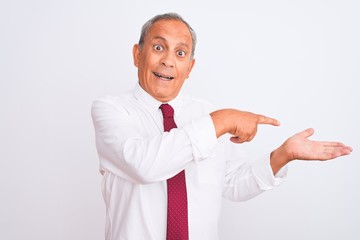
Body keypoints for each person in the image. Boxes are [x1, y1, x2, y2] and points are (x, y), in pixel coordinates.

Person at [91, 13, 352, 240]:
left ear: (189, 67)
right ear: (138, 54)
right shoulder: (111, 110)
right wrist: (222, 120)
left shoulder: (204, 114)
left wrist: (283, 155)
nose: (168, 61)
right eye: (159, 48)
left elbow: (234, 184)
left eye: (180, 53)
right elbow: (144, 165)